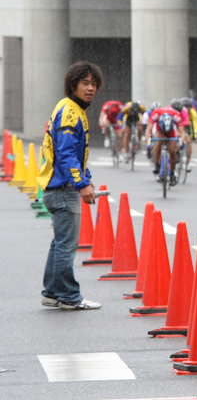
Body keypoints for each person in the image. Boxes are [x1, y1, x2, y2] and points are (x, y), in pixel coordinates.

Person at [37, 61, 103, 310]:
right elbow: (65, 154)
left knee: (59, 243)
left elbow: (73, 152)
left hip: (57, 187)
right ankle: (69, 297)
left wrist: (85, 177)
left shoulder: (70, 108)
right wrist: (81, 183)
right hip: (62, 188)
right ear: (72, 85)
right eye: (85, 83)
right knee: (66, 244)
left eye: (94, 84)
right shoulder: (70, 111)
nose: (90, 88)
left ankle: (52, 292)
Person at [145, 103, 184, 185]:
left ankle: (172, 172)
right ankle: (156, 164)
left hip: (171, 132)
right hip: (160, 130)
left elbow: (182, 132)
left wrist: (181, 143)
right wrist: (148, 143)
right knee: (158, 141)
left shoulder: (176, 115)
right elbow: (148, 130)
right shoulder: (156, 113)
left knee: (172, 151)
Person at [181, 97, 197, 170]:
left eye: (189, 109)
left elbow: (196, 125)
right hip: (180, 126)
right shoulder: (179, 112)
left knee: (188, 142)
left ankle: (188, 161)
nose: (187, 110)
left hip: (188, 128)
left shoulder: (193, 112)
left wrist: (196, 136)